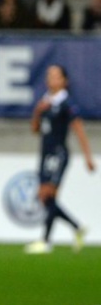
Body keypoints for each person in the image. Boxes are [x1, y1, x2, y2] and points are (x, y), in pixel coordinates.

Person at [24, 65, 95, 254]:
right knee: (46, 197)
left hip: (58, 153)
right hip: (45, 153)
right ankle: (77, 228)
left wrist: (88, 157)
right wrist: (38, 111)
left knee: (47, 194)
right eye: (49, 75)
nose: (51, 79)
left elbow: (79, 130)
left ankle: (46, 241)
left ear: (64, 81)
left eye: (55, 76)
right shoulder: (45, 101)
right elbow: (35, 130)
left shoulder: (66, 103)